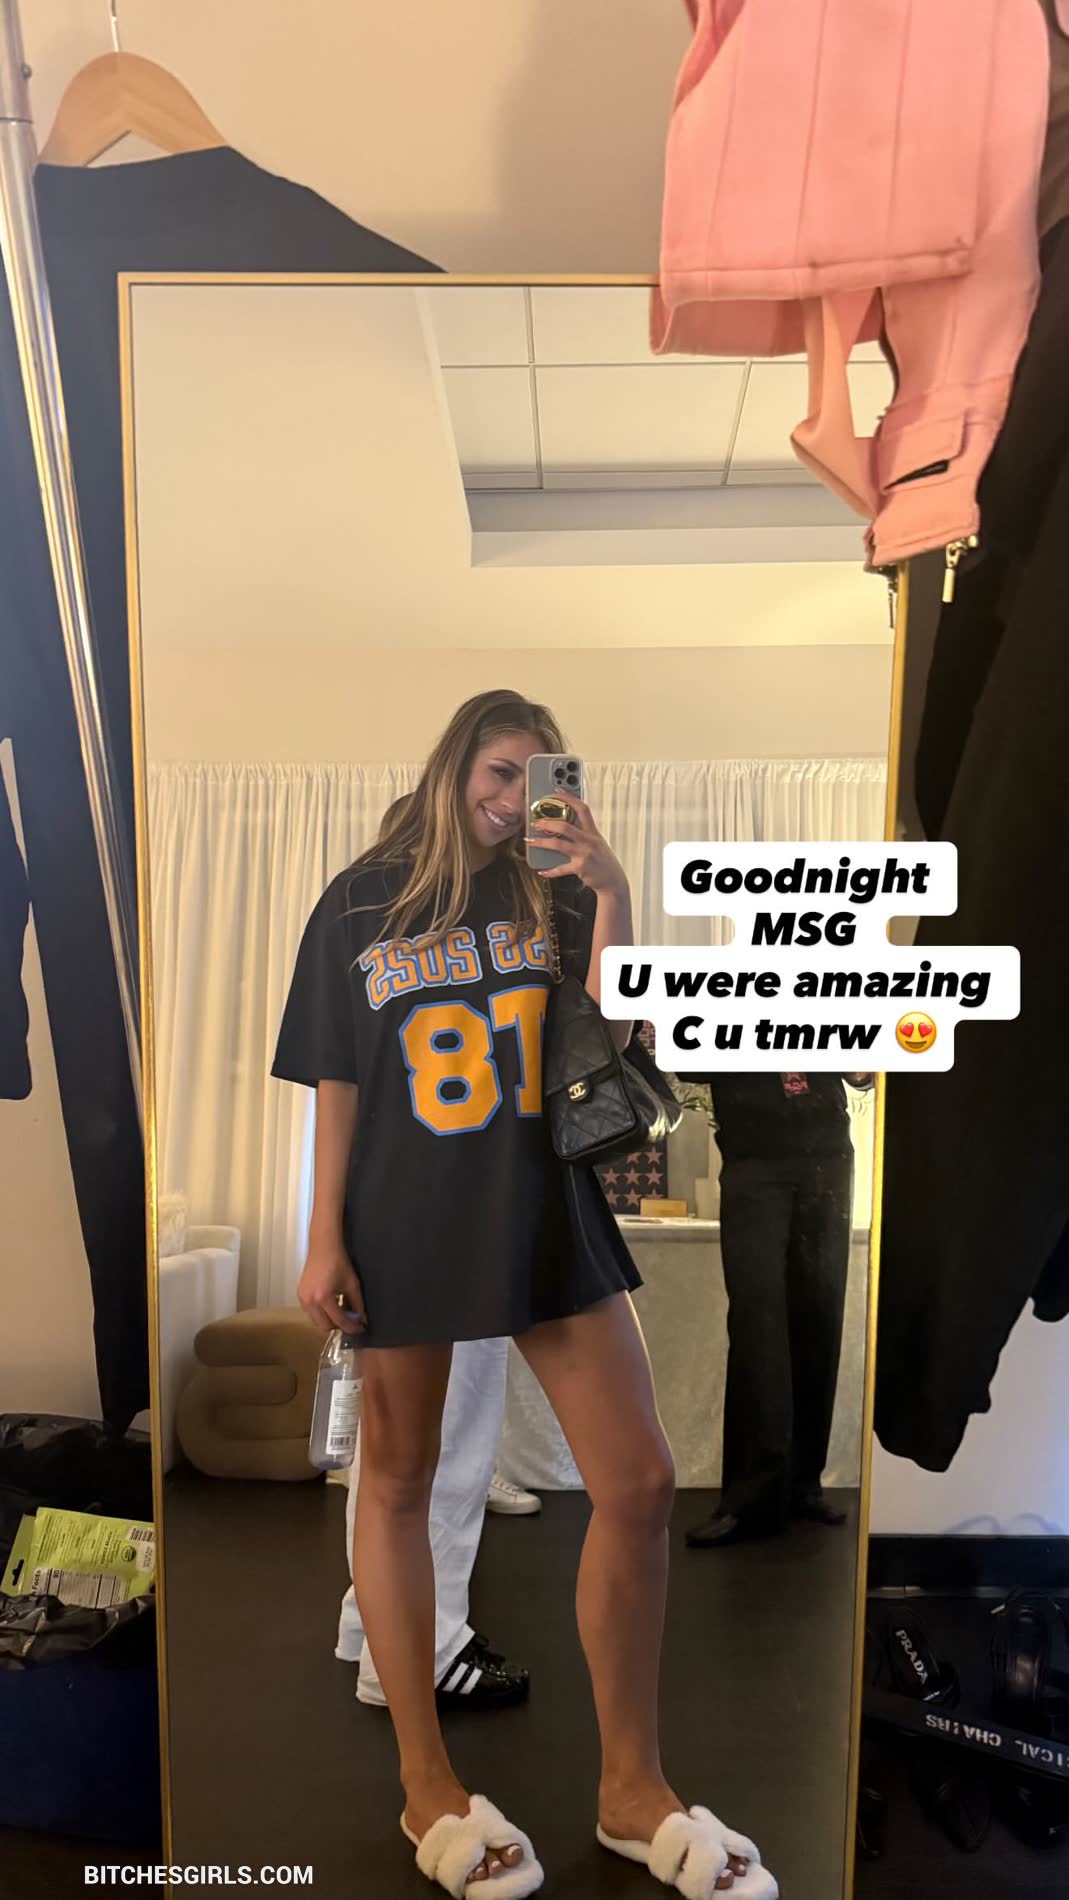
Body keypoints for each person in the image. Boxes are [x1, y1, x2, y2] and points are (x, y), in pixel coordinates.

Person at [273, 691, 771, 1896]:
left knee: (637, 1479)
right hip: (403, 1214)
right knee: (396, 1483)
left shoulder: (552, 892)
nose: (513, 796)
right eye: (499, 770)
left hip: (541, 1202)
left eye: (537, 776)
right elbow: (338, 1083)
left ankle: (630, 1787)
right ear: (456, 764)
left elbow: (620, 1035)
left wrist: (614, 891)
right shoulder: (358, 900)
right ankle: (426, 1786)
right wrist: (322, 1235)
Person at [333, 795, 534, 1713]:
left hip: (390, 1221)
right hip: (455, 1222)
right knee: (444, 1454)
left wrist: (332, 1235)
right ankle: (423, 1646)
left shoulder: (374, 942)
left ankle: (367, 1629)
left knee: (386, 1465)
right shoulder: (451, 949)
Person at [687, 1071, 874, 1552]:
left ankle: (803, 1483)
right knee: (757, 1322)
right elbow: (689, 1063)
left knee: (821, 1315)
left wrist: (863, 1066)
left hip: (828, 1151)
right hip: (754, 1152)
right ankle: (749, 1496)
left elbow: (862, 1073)